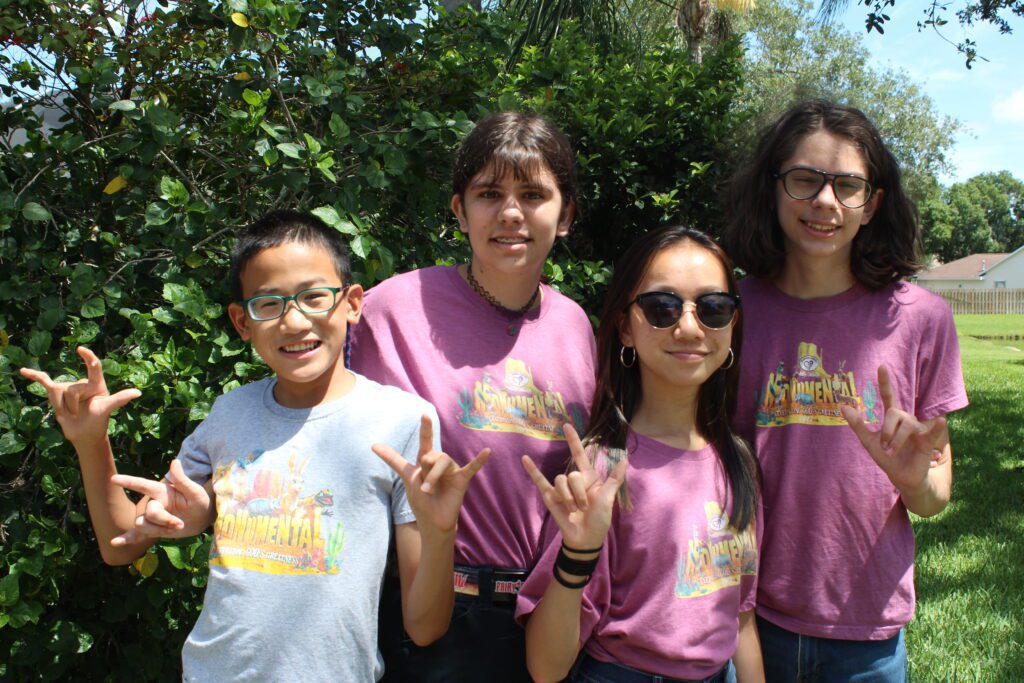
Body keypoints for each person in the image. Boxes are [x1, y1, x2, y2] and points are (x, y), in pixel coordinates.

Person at [19, 210, 489, 681]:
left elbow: (424, 628)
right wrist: (90, 442)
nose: (294, 321)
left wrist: (441, 530)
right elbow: (120, 544)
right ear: (242, 321)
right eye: (269, 304)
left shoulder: (403, 420)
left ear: (351, 303)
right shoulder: (230, 413)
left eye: (314, 296)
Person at [721, 99, 969, 681]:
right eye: (805, 179)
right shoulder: (728, 313)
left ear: (872, 203)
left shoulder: (921, 319)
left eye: (848, 185)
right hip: (748, 618)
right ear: (773, 188)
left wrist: (914, 480)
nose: (825, 201)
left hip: (868, 635)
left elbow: (934, 497)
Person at [350, 111, 597, 681]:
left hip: (547, 614)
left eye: (533, 194)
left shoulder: (577, 327)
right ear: (460, 211)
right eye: (490, 194)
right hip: (428, 616)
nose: (510, 212)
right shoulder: (393, 309)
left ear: (565, 215)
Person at [515, 226, 765, 683]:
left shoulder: (738, 462)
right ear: (626, 328)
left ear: (733, 324)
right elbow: (546, 667)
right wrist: (578, 553)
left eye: (714, 308)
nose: (688, 327)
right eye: (662, 307)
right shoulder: (602, 469)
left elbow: (741, 619)